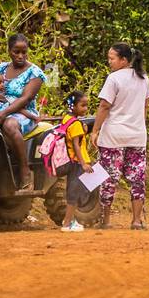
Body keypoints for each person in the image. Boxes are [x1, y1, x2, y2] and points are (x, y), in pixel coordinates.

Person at [91, 42, 149, 229]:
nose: (109, 62)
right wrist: (138, 125)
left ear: (124, 60)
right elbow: (145, 106)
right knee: (137, 178)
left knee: (109, 177)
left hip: (113, 136)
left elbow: (104, 106)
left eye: (112, 58)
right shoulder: (144, 78)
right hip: (137, 136)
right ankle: (136, 221)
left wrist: (95, 130)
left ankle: (106, 221)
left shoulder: (114, 78)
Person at [0, 34, 48, 191]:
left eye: (24, 52)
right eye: (16, 52)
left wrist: (6, 112)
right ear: (9, 50)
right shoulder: (0, 69)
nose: (21, 56)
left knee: (9, 124)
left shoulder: (35, 73)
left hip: (24, 113)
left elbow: (26, 98)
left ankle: (25, 170)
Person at [60, 91, 94, 232]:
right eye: (82, 105)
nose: (85, 109)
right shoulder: (76, 124)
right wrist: (83, 164)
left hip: (70, 160)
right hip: (77, 162)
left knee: (73, 191)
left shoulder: (66, 118)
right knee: (74, 193)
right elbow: (76, 145)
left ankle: (69, 220)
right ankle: (67, 223)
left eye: (86, 106)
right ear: (73, 106)